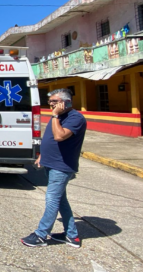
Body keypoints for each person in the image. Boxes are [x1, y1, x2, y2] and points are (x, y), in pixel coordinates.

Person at [21, 88, 87, 248]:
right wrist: (42, 154)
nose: (51, 104)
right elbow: (51, 138)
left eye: (55, 101)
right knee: (61, 201)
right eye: (50, 101)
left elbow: (59, 136)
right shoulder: (58, 117)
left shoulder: (75, 118)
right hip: (51, 163)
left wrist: (55, 115)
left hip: (61, 166)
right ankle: (71, 235)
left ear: (66, 102)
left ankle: (41, 235)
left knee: (52, 200)